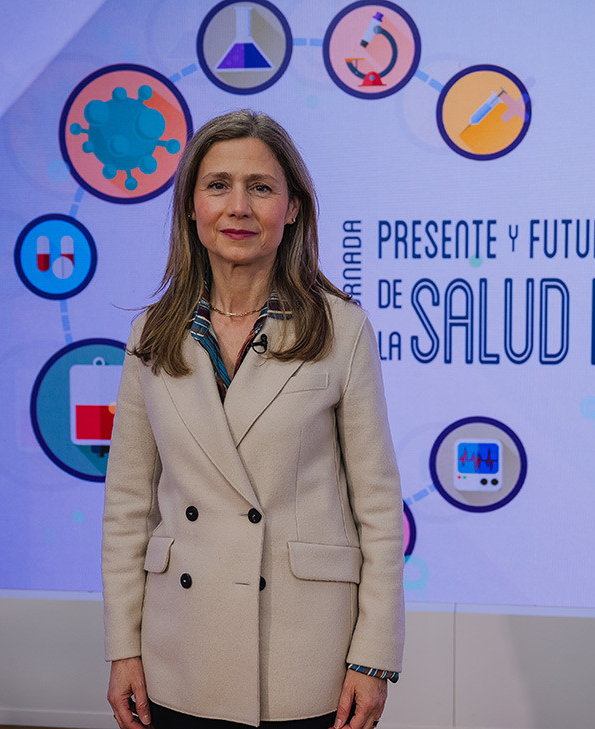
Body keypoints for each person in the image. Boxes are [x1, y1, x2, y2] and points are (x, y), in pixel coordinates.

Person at [101, 109, 405, 729]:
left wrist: (374, 657)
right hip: (179, 650)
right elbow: (128, 508)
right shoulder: (151, 336)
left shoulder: (341, 330)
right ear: (191, 207)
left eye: (260, 187)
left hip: (303, 654)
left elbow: (378, 511)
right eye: (218, 185)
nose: (238, 207)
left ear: (292, 209)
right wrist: (122, 647)